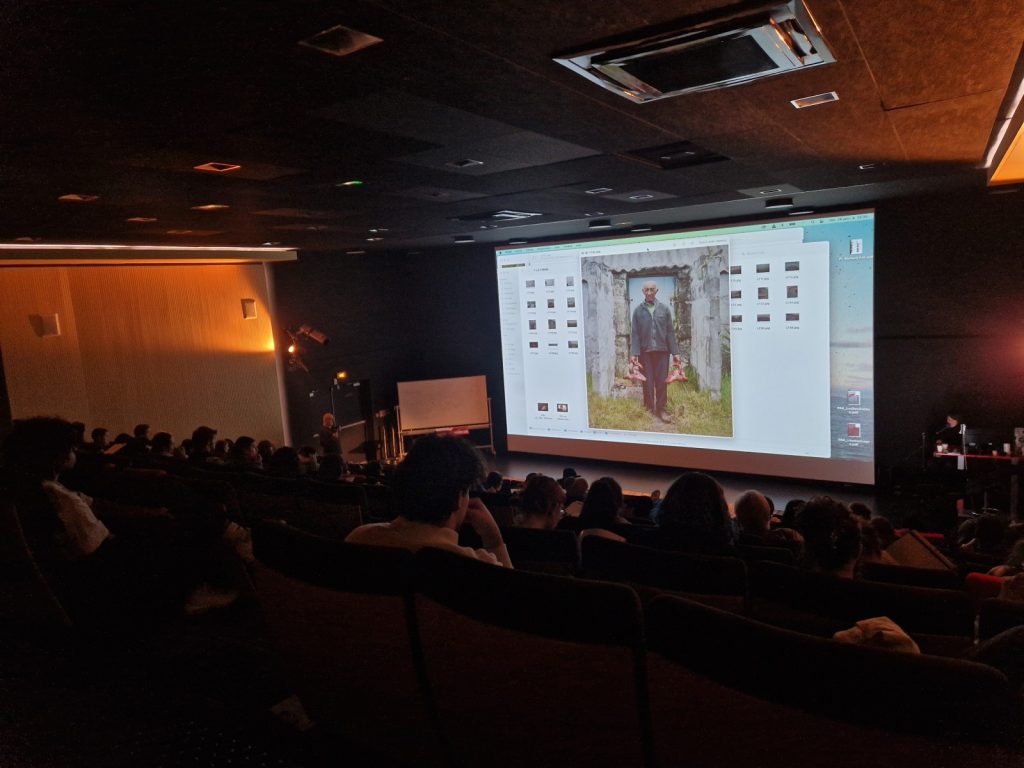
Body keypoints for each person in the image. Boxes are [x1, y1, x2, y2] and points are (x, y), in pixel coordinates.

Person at [345, 435, 511, 567]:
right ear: (459, 497)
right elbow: (516, 600)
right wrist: (494, 539)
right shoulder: (478, 567)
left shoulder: (359, 538)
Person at [629, 281, 681, 424]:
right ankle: (649, 409)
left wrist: (675, 352)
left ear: (656, 291)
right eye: (647, 290)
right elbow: (634, 334)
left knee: (661, 382)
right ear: (643, 292)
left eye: (652, 290)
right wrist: (634, 353)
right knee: (647, 382)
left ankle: (661, 409)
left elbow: (670, 332)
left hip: (662, 352)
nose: (650, 292)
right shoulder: (638, 311)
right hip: (645, 353)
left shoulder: (664, 309)